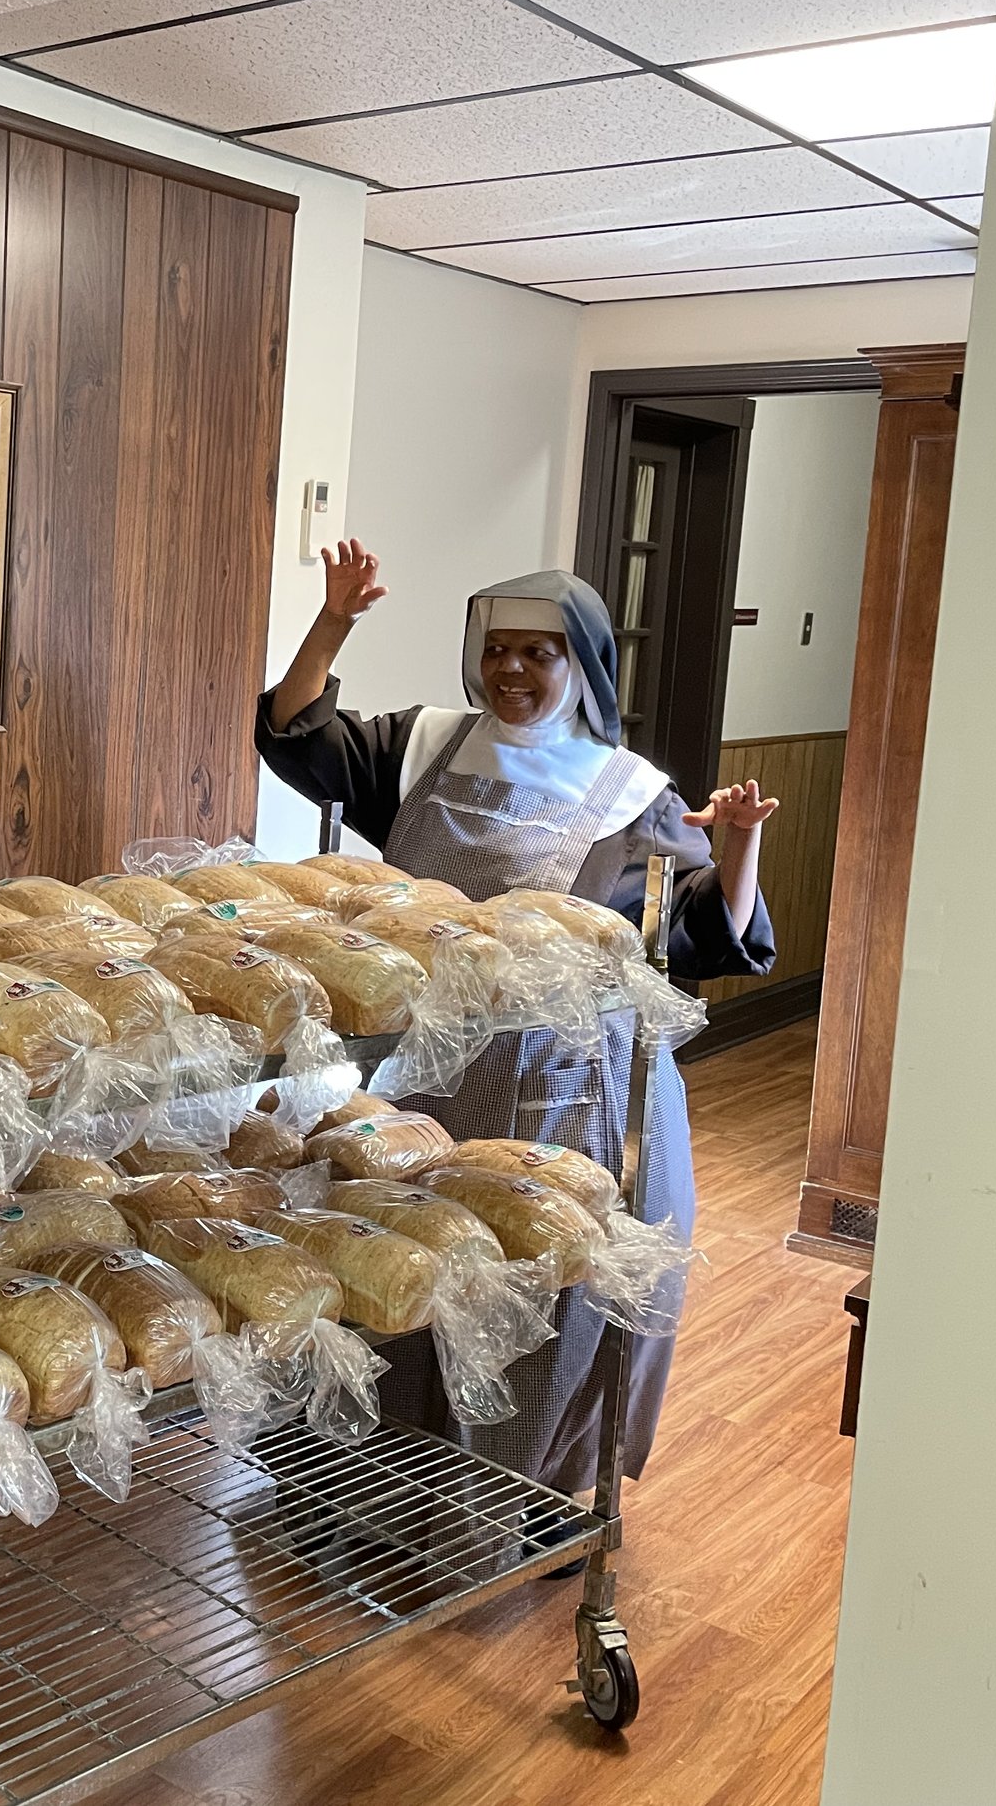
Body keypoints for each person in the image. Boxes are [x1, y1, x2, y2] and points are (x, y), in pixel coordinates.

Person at [256, 540, 779, 1498]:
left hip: (568, 1096)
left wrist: (738, 848)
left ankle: (521, 1501)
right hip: (435, 1079)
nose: (512, 671)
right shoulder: (424, 746)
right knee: (405, 1271)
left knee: (544, 1294)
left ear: (581, 664)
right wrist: (334, 620)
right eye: (498, 649)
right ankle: (380, 1493)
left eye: (541, 653)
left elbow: (693, 939)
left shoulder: (629, 792)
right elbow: (297, 737)